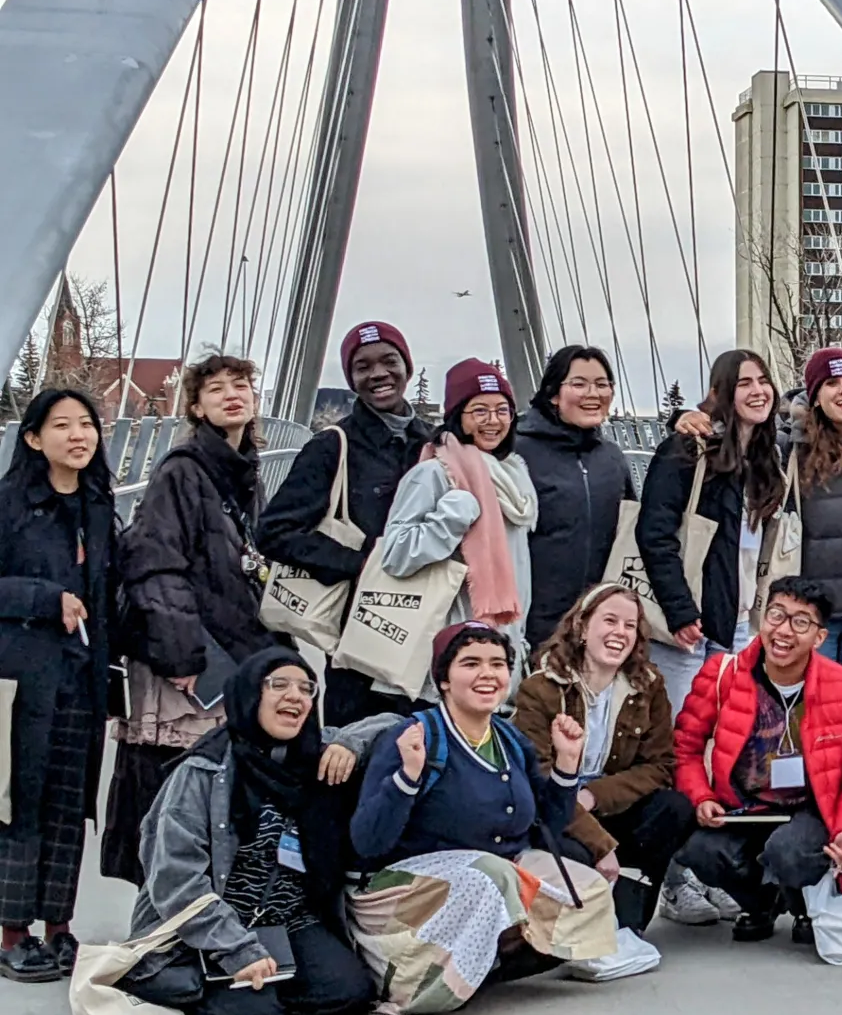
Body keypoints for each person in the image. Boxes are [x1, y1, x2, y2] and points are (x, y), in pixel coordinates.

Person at [116, 649, 386, 1015]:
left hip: (286, 921)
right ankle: (189, 990)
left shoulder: (314, 752)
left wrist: (350, 743)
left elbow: (395, 727)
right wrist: (237, 949)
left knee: (350, 992)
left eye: (306, 688)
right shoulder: (203, 770)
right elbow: (175, 879)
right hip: (210, 926)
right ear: (248, 695)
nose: (295, 696)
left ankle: (259, 992)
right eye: (279, 685)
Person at [348, 622, 612, 1015]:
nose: (488, 674)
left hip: (493, 877)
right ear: (443, 680)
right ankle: (419, 979)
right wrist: (407, 778)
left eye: (498, 664)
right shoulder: (414, 736)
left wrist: (567, 764)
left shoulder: (508, 739)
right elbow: (367, 842)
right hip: (410, 890)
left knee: (587, 889)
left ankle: (484, 965)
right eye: (470, 663)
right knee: (492, 876)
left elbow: (546, 826)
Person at [107, 351, 279, 885]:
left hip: (230, 648)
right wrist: (181, 652)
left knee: (212, 787)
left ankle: (198, 910)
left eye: (242, 387)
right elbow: (155, 561)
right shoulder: (182, 471)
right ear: (196, 408)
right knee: (172, 784)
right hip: (190, 656)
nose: (233, 395)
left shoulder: (242, 472)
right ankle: (158, 913)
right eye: (217, 389)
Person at [672, 346, 842, 691]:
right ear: (814, 396)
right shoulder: (788, 444)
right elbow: (735, 433)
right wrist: (681, 417)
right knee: (804, 718)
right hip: (808, 612)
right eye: (831, 383)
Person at [673, 576, 842, 944]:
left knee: (788, 851)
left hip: (811, 811)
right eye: (776, 615)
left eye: (801, 622)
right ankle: (759, 904)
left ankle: (805, 905)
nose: (784, 630)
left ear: (819, 637)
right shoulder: (723, 675)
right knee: (699, 850)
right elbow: (685, 748)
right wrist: (702, 798)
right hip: (743, 808)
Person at [0, 390, 121, 983]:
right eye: (62, 425)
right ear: (32, 438)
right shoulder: (10, 504)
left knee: (71, 804)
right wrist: (45, 600)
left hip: (83, 679)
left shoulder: (99, 505)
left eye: (87, 425)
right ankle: (12, 933)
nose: (79, 435)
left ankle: (60, 928)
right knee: (23, 801)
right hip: (23, 679)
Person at [259, 320, 433, 725]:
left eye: (389, 360)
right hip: (358, 635)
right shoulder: (331, 447)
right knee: (350, 757)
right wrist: (360, 564)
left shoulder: (434, 444)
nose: (378, 374)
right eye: (362, 366)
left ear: (406, 366)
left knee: (422, 756)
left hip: (424, 628)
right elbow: (274, 532)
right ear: (351, 379)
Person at [513, 583, 694, 932]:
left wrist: (595, 795)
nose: (620, 633)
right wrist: (601, 845)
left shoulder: (648, 686)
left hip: (606, 801)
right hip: (554, 808)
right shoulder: (541, 688)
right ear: (582, 627)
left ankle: (629, 921)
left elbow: (660, 766)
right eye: (609, 620)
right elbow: (538, 778)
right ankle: (572, 927)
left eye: (630, 625)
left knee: (673, 809)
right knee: (579, 853)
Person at [380, 359, 539, 696]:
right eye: (479, 410)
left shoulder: (515, 474)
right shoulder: (434, 474)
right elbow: (396, 554)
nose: (493, 421)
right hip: (445, 662)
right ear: (457, 416)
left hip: (501, 656)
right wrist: (452, 515)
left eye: (502, 410)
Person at [639, 348, 783, 713]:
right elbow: (654, 533)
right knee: (679, 731)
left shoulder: (767, 459)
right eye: (744, 383)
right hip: (687, 625)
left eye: (764, 381)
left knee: (720, 734)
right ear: (721, 393)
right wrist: (680, 611)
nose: (758, 391)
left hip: (735, 622)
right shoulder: (688, 450)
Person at [517, 344, 636, 650]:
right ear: (553, 394)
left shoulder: (612, 458)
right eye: (579, 384)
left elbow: (631, 535)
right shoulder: (517, 452)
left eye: (601, 384)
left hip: (599, 627)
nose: (592, 394)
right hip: (534, 626)